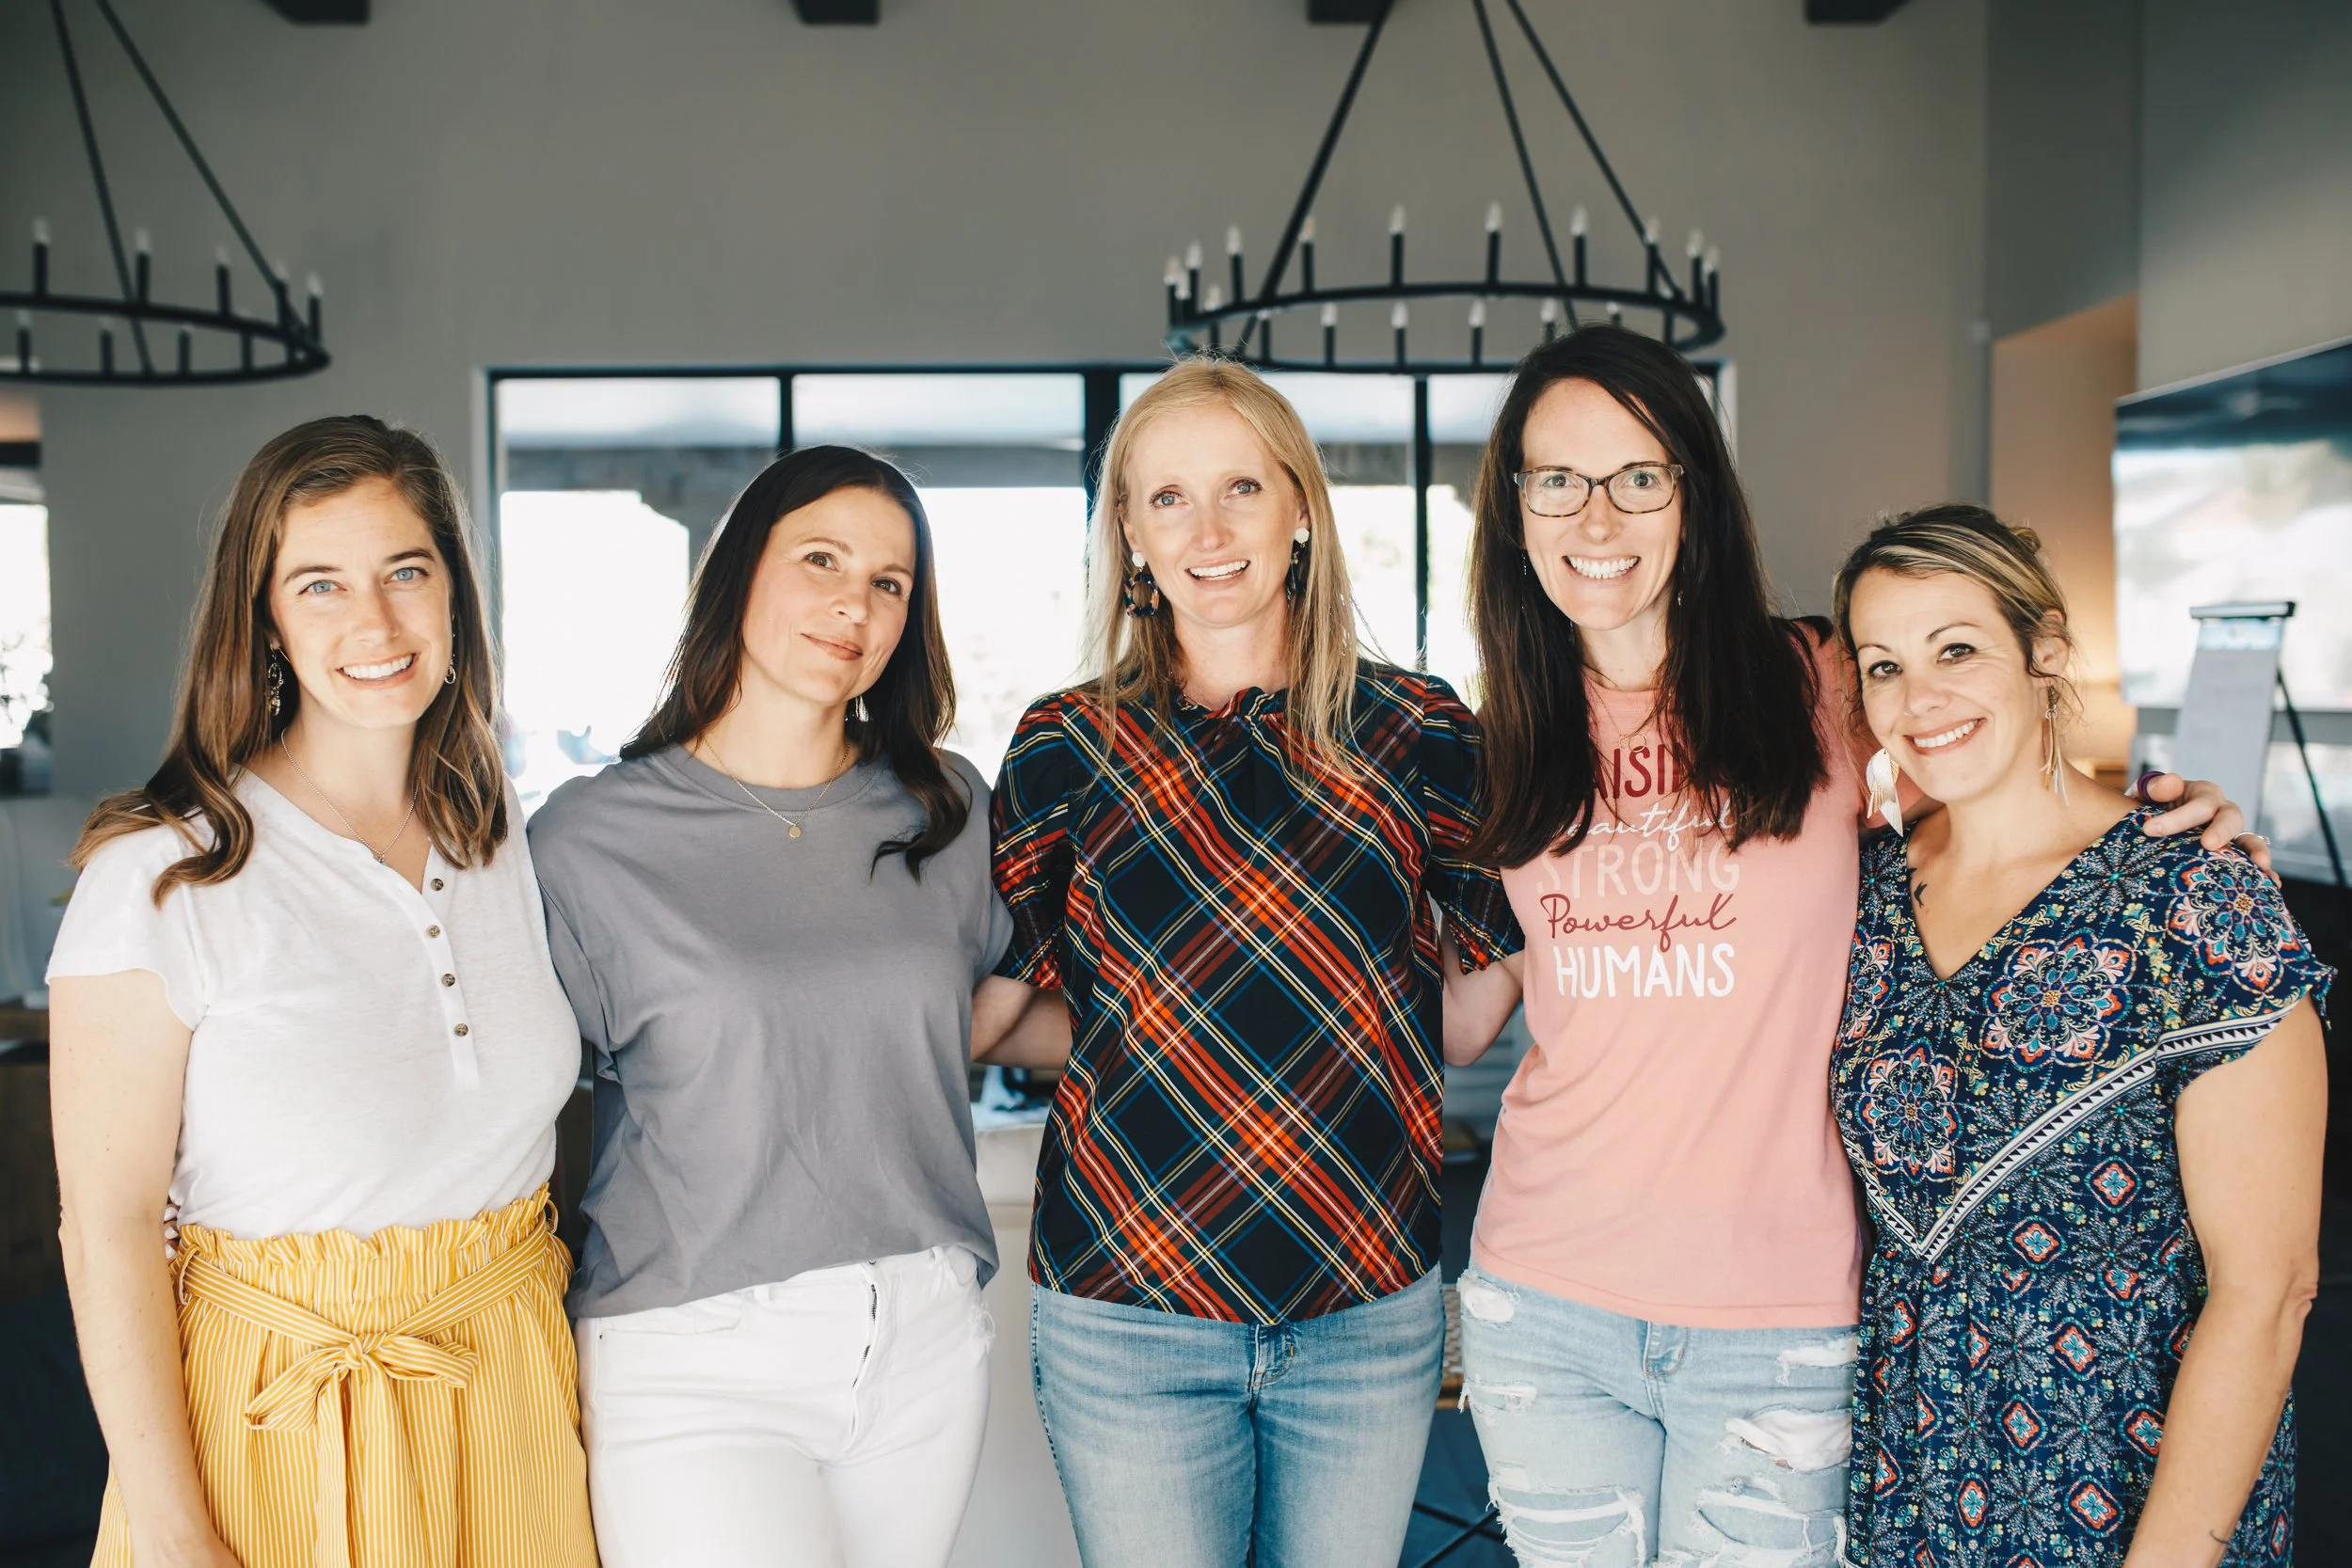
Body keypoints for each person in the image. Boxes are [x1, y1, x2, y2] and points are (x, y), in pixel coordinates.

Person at [1437, 325, 2266, 1566]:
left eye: (1639, 475)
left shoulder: (1816, 679)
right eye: (1557, 478)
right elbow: (1475, 987)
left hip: (1780, 1318)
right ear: (1514, 508)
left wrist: (2158, 813)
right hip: (1543, 1302)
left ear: (1693, 495)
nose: (1596, 514)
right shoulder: (1505, 732)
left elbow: (1989, 790)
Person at [984, 356, 1521, 1567]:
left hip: (1363, 1299)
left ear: (1300, 512)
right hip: (1127, 1301)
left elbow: (1470, 1009)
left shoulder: (1421, 728)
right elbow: (1014, 1005)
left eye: (1240, 487)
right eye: (1166, 497)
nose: (1208, 528)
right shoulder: (1068, 742)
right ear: (1127, 530)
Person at [48, 416, 593, 1568]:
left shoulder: (502, 843)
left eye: (406, 570)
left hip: (511, 1400)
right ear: (269, 623)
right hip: (275, 1423)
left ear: (454, 590)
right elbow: (106, 1235)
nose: (377, 623)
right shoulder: (160, 872)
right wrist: (177, 1535)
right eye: (321, 585)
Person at [529, 446, 1061, 1568]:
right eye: (820, 557)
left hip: (919, 1331)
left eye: (889, 581)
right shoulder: (588, 840)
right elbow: (509, 1098)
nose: (853, 602)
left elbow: (963, 1025)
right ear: (738, 574)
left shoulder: (945, 805)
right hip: (694, 1349)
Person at [1829, 506, 2326, 1567]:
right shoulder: (1865, 895)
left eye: (1955, 648)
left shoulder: (2197, 902)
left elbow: (2267, 1289)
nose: (1918, 699)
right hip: (1905, 1494)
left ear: (2043, 649)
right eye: (1882, 665)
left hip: (2127, 1496)